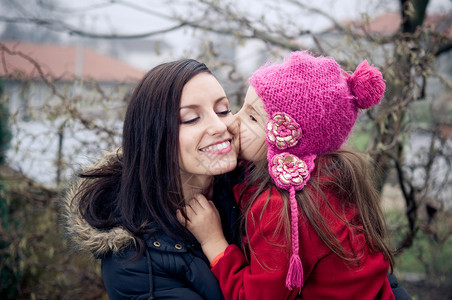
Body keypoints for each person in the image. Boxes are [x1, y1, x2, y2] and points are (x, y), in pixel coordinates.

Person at [179, 51, 398, 299]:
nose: (231, 123)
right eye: (237, 108)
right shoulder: (331, 180)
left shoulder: (280, 210)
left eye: (251, 117)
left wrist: (213, 242)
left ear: (288, 140)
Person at [63, 59, 240, 299]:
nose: (219, 126)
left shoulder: (260, 190)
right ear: (155, 136)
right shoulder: (131, 264)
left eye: (223, 110)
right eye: (191, 118)